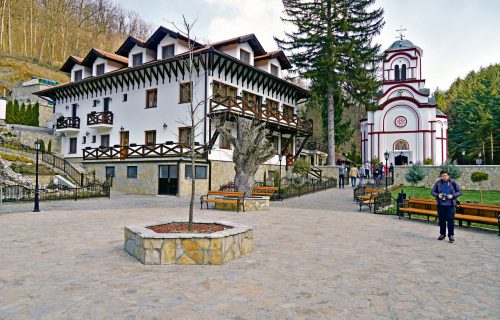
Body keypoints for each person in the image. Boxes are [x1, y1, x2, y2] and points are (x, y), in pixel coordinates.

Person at [431, 170, 462, 243]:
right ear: (440, 176)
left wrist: (453, 196)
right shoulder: (438, 183)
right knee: (441, 220)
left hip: (450, 205)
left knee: (450, 221)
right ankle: (442, 234)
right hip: (441, 205)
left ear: (448, 176)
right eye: (442, 176)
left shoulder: (453, 183)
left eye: (445, 175)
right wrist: (438, 195)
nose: (444, 177)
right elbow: (432, 192)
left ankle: (451, 235)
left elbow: (460, 192)